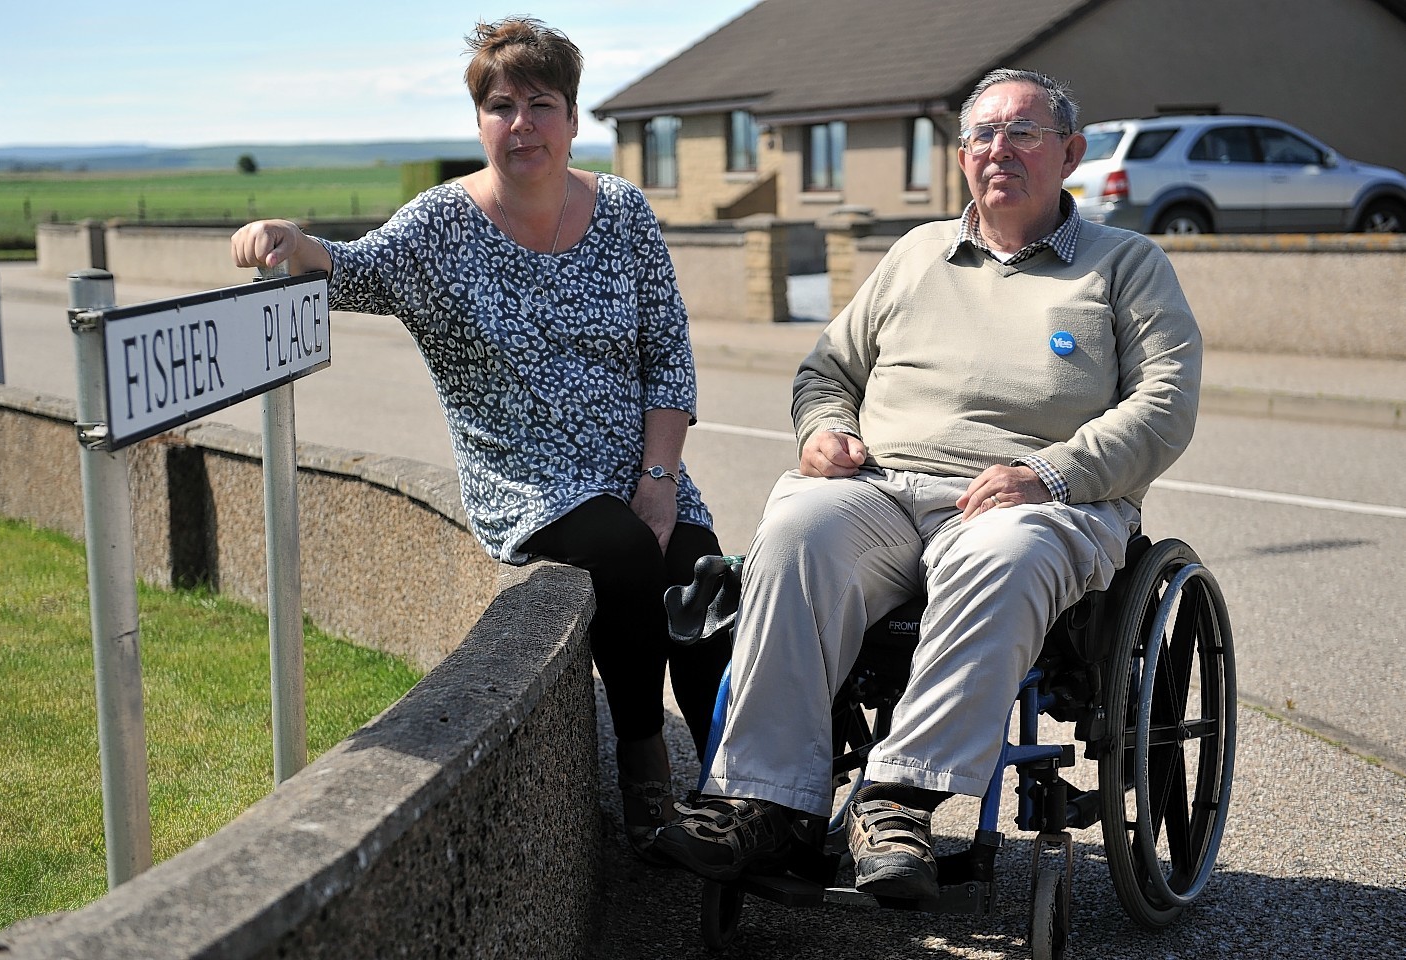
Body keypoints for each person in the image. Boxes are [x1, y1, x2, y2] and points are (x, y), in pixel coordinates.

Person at [653, 69, 1202, 898]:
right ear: (962, 155)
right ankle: (766, 804)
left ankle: (898, 798)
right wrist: (824, 430)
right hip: (885, 487)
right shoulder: (915, 255)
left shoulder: (1126, 265)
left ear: (1070, 153)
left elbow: (1164, 405)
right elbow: (826, 369)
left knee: (1004, 553)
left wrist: (1049, 473)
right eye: (982, 135)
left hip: (1041, 499)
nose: (999, 151)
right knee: (797, 526)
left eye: (1022, 133)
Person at [230, 17, 729, 861]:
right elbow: (356, 270)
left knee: (704, 575)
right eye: (502, 106)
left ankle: (733, 790)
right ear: (480, 122)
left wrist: (659, 477)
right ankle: (646, 784)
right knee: (623, 554)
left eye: (542, 104)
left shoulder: (625, 213)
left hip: (643, 467)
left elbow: (667, 357)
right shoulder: (440, 227)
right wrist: (291, 243)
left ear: (574, 120)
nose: (522, 124)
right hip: (529, 483)